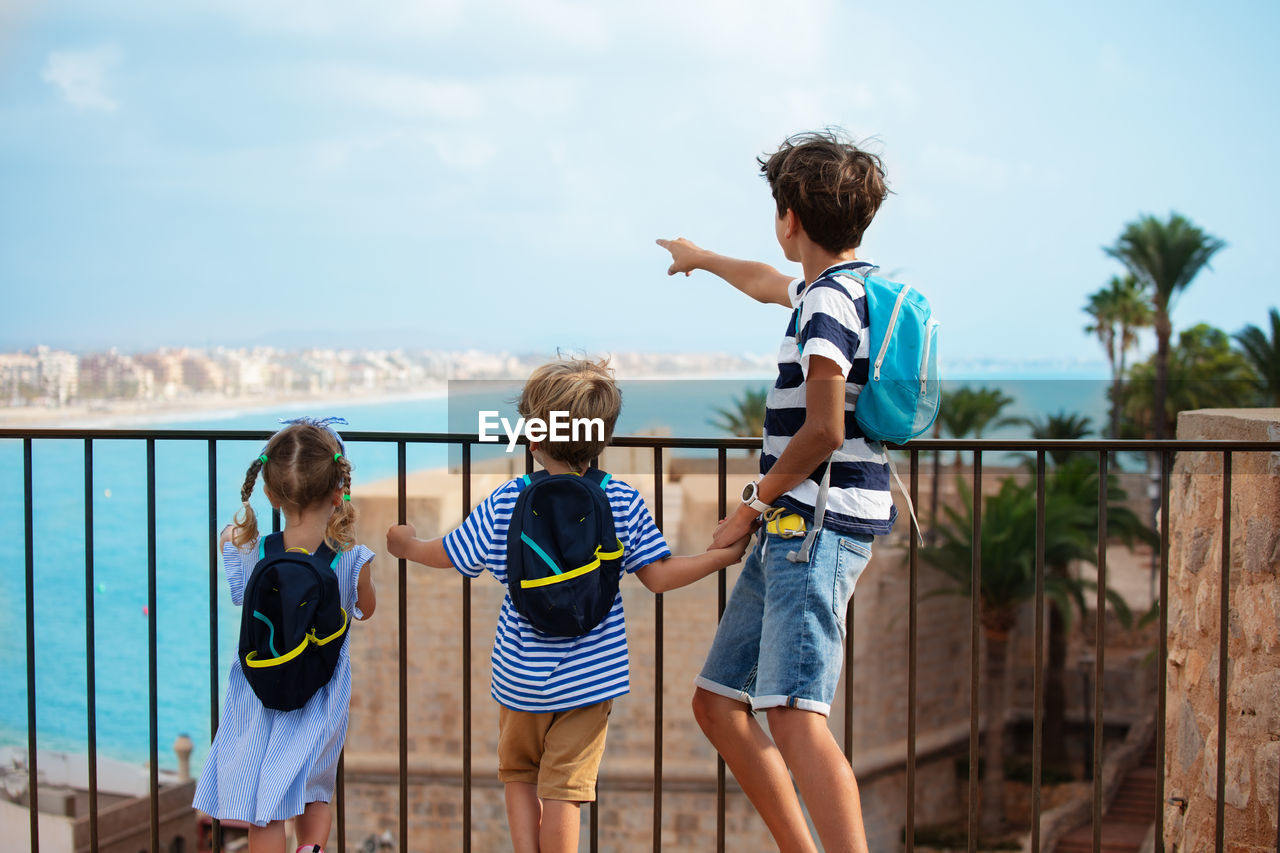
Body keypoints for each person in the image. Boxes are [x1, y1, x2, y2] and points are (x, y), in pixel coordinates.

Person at [386, 356, 749, 853]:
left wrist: (405, 542)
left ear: (534, 438)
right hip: (591, 678)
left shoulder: (507, 501)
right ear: (600, 442)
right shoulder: (620, 499)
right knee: (565, 792)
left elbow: (448, 554)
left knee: (518, 775)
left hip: (518, 677)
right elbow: (659, 577)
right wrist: (719, 558)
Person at [656, 129, 896, 853]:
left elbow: (822, 430)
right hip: (796, 528)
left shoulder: (828, 307)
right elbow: (767, 280)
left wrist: (750, 504)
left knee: (795, 714)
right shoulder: (845, 289)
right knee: (720, 704)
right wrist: (701, 259)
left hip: (811, 529)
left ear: (791, 213)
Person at [193, 418, 377, 853]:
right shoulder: (353, 558)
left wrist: (231, 538)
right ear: (339, 492)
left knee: (266, 806)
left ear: (271, 494)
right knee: (315, 788)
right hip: (320, 695)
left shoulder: (254, 552)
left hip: (258, 694)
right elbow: (364, 610)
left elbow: (240, 589)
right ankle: (310, 848)